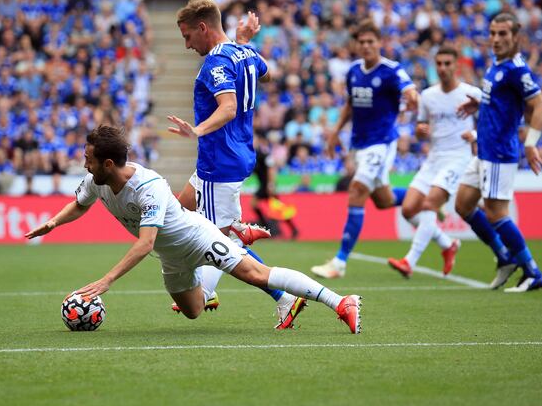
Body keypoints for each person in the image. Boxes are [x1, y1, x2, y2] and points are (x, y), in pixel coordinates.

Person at [24, 126, 362, 333]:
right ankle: (232, 235)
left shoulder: (149, 187)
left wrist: (107, 280)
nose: (85, 164)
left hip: (196, 239)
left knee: (258, 274)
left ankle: (341, 302)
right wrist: (54, 222)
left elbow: (145, 243)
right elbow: (80, 204)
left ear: (108, 163)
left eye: (89, 159)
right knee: (193, 310)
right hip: (171, 259)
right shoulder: (95, 180)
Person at [167, 0, 305, 328]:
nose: (187, 45)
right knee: (176, 213)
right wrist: (244, 44)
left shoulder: (215, 63)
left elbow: (228, 107)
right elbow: (267, 76)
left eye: (187, 36)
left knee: (220, 244)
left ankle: (283, 296)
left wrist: (196, 130)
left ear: (203, 28)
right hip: (230, 156)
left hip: (221, 162)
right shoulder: (243, 53)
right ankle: (212, 278)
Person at [311, 20, 419, 279]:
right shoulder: (354, 71)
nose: (367, 45)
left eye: (371, 41)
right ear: (356, 45)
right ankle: (424, 199)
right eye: (362, 41)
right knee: (384, 200)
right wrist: (336, 132)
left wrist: (412, 99)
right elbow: (350, 103)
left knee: (357, 190)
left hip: (382, 143)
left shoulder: (392, 70)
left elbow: (410, 90)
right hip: (359, 144)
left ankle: (339, 262)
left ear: (379, 43)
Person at [454, 13, 542, 292]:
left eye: (502, 34)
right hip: (484, 149)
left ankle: (533, 271)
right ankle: (505, 257)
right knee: (463, 205)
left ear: (515, 37)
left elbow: (540, 107)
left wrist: (530, 143)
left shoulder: (518, 70)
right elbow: (500, 102)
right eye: (493, 33)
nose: (496, 39)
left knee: (496, 214)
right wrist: (480, 105)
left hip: (499, 153)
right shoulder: (497, 64)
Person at [386, 46, 477, 277]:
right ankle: (448, 244)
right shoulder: (427, 96)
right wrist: (420, 131)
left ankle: (409, 261)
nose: (443, 68)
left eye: (448, 63)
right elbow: (421, 128)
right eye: (439, 64)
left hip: (458, 157)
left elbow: (490, 124)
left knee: (428, 206)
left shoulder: (471, 94)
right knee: (408, 209)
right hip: (434, 158)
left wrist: (475, 136)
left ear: (456, 65)